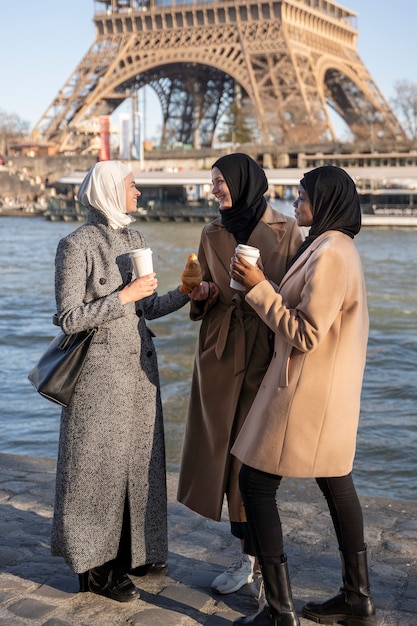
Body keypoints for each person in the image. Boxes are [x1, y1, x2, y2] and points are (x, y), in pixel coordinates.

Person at [229, 165, 376, 625]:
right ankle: (357, 597)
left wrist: (257, 289)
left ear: (326, 201)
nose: (296, 204)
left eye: (303, 196)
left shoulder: (330, 252)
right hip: (326, 391)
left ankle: (279, 610)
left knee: (254, 483)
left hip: (305, 391)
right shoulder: (336, 247)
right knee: (336, 483)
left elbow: (307, 332)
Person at [51, 160, 191, 602]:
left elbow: (143, 310)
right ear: (110, 190)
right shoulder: (76, 245)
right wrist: (122, 296)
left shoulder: (135, 238)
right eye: (132, 187)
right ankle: (94, 569)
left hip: (139, 375)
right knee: (94, 472)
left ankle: (134, 554)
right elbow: (69, 319)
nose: (139, 195)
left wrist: (187, 293)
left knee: (137, 468)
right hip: (98, 381)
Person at [177, 153, 304, 596]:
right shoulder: (211, 230)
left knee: (254, 461)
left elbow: (298, 296)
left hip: (266, 350)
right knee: (224, 455)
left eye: (220, 182)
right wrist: (205, 291)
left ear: (242, 181)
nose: (214, 190)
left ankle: (259, 559)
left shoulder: (288, 230)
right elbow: (205, 288)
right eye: (211, 182)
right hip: (221, 350)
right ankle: (246, 557)